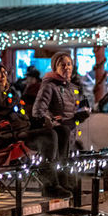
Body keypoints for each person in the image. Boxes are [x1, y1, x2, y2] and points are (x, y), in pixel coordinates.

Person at [0, 60, 69, 197]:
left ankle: (63, 180)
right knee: (48, 136)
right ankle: (49, 185)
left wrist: (36, 120)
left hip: (15, 131)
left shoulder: (7, 91)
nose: (3, 76)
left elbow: (19, 113)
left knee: (63, 131)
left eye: (5, 73)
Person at [33, 51, 90, 189]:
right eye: (62, 65)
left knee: (69, 172)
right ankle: (55, 188)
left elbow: (81, 106)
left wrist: (83, 112)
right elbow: (38, 110)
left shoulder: (73, 88)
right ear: (55, 68)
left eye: (69, 64)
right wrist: (53, 121)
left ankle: (66, 193)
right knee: (58, 165)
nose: (67, 67)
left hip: (71, 133)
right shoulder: (49, 86)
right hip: (57, 136)